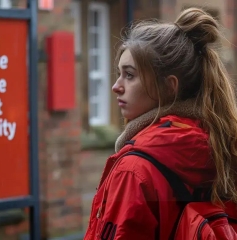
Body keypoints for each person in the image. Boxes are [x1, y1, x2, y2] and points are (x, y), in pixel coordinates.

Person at [83, 7, 237, 240]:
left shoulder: (134, 169)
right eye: (118, 73)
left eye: (130, 75)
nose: (116, 86)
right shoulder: (222, 146)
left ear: (169, 86)